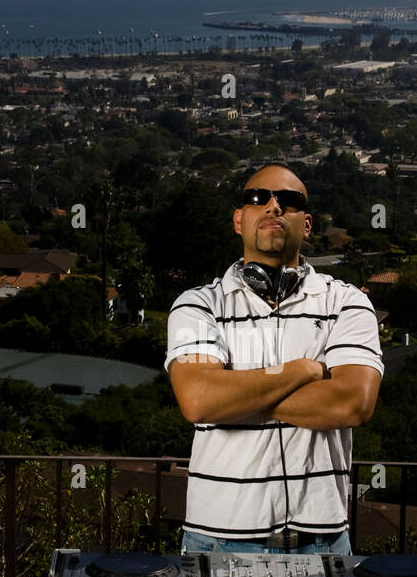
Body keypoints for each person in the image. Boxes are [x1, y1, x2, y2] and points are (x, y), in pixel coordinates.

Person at [164, 163, 383, 555]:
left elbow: (352, 403)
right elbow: (199, 400)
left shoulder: (349, 303)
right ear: (238, 220)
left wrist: (235, 390)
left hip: (322, 540)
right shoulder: (197, 305)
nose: (272, 206)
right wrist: (304, 371)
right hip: (217, 538)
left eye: (289, 201)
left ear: (308, 224)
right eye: (257, 198)